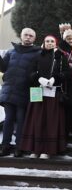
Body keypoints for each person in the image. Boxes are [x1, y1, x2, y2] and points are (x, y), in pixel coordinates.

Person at [20, 35, 69, 159]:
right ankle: (35, 149)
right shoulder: (37, 55)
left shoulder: (61, 57)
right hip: (38, 91)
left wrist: (55, 79)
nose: (49, 43)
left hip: (53, 93)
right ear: (44, 42)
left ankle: (47, 150)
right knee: (37, 120)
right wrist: (39, 79)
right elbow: (29, 72)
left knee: (50, 122)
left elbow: (66, 73)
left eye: (52, 41)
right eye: (47, 41)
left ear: (56, 43)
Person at [0, 28, 41, 157]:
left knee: (21, 120)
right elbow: (3, 67)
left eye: (31, 36)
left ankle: (19, 147)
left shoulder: (39, 53)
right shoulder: (11, 52)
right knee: (8, 120)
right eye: (26, 35)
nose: (28, 37)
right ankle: (5, 146)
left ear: (34, 38)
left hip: (26, 91)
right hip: (10, 90)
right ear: (21, 36)